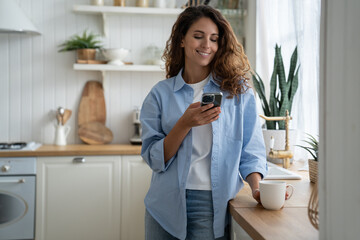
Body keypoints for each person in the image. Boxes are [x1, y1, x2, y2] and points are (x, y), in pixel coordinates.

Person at [140, 5, 267, 240]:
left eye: (214, 39)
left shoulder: (237, 93)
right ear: (181, 40)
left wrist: (257, 189)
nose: (206, 45)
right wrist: (184, 124)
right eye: (198, 36)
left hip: (210, 205)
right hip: (163, 206)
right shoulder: (160, 94)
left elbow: (251, 151)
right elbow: (153, 158)